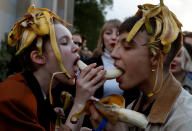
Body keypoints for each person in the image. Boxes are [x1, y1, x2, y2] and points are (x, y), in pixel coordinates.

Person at [87, 1, 192, 131]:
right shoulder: (134, 107)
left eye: (126, 47)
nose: (114, 54)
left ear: (155, 57)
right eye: (116, 45)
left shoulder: (185, 120)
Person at [0, 5, 106, 131]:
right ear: (39, 57)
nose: (77, 48)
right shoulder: (14, 98)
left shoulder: (44, 93)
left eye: (73, 41)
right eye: (65, 42)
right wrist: (80, 103)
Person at [85, 19, 139, 101]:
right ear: (102, 38)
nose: (113, 37)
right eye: (108, 33)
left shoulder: (132, 64)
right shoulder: (90, 64)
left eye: (118, 34)